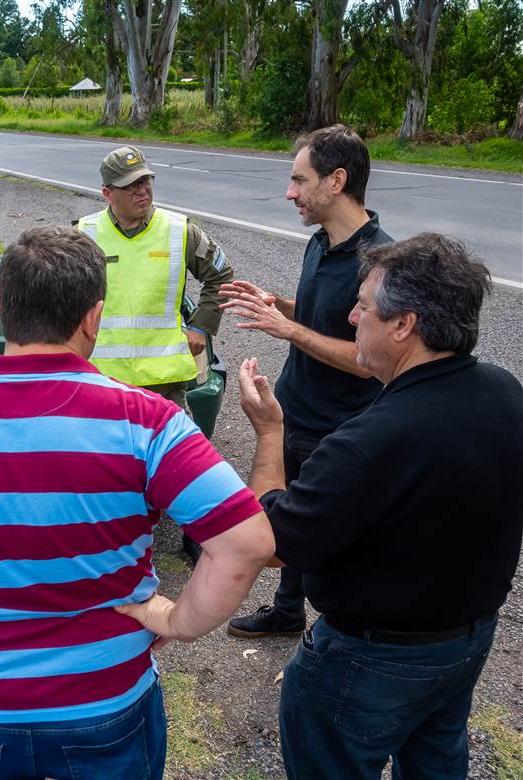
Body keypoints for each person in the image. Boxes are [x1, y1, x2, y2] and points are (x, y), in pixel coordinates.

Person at [0, 226, 275, 780]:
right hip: (106, 704)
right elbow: (247, 542)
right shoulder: (146, 421)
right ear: (92, 316)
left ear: (8, 312)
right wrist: (179, 621)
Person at [238, 234, 523, 779]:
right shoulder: (504, 390)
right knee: (436, 762)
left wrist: (271, 431)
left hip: (367, 661)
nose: (350, 317)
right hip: (464, 642)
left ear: (403, 325)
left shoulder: (371, 442)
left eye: (363, 306)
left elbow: (266, 541)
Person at [222, 124, 391, 639]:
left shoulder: (380, 263)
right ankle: (288, 610)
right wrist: (280, 304)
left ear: (336, 180)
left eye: (300, 180)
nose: (290, 192)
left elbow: (368, 360)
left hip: (340, 426)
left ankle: (346, 630)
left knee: (337, 533)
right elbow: (326, 318)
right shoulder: (321, 242)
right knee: (286, 519)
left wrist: (288, 329)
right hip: (295, 409)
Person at [77, 145, 235, 564]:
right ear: (107, 193)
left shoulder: (179, 229)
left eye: (146, 180)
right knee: (106, 466)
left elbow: (220, 273)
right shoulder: (84, 234)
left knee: (181, 459)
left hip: (163, 376)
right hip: (103, 378)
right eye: (131, 186)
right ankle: (111, 540)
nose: (142, 190)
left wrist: (202, 325)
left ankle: (194, 532)